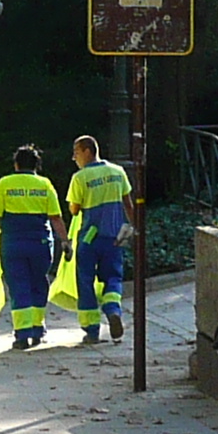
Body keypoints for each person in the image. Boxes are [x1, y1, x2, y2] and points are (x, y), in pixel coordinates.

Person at [0, 144, 65, 350]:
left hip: (13, 243)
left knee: (19, 286)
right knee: (39, 282)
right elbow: (55, 217)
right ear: (37, 165)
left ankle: (22, 334)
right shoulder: (45, 184)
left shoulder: (6, 183)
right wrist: (65, 241)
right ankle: (38, 329)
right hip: (41, 243)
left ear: (16, 164)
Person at [63, 135, 132, 344]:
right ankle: (113, 310)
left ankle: (92, 330)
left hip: (89, 238)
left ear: (87, 151)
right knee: (113, 277)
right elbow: (128, 203)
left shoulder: (80, 177)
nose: (74, 158)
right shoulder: (118, 172)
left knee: (85, 281)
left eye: (76, 152)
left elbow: (74, 209)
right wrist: (133, 228)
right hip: (114, 236)